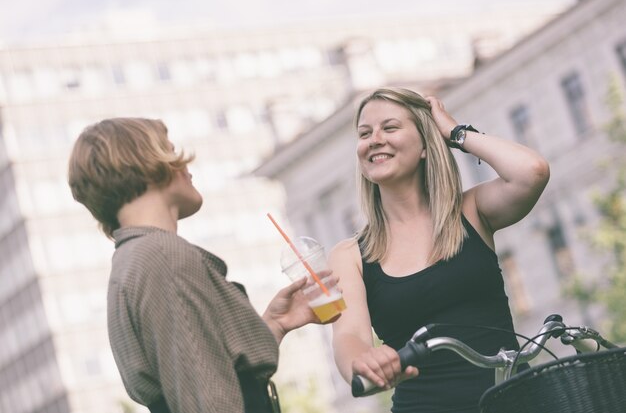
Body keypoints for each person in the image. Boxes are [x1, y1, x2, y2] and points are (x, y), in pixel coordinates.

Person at [67, 117, 339, 413]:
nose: (186, 166)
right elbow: (206, 398)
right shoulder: (163, 257)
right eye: (170, 151)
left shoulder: (133, 261)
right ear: (145, 163)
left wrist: (275, 324)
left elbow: (198, 367)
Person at [329, 87, 550, 413]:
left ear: (424, 144)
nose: (374, 139)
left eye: (389, 128)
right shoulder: (350, 255)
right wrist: (363, 363)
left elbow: (531, 171)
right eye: (365, 133)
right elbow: (349, 336)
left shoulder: (472, 211)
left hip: (516, 400)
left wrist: (455, 132)